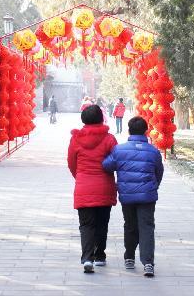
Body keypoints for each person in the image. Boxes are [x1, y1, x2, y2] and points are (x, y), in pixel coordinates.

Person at [102, 116, 164, 278]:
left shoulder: (119, 150)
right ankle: (148, 263)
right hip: (148, 195)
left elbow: (107, 165)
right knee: (147, 227)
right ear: (146, 131)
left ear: (129, 130)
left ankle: (129, 257)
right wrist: (153, 186)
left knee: (130, 225)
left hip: (127, 195)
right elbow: (159, 172)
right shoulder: (154, 151)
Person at [67, 105, 118, 274]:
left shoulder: (76, 139)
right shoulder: (110, 139)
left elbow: (71, 163)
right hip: (104, 186)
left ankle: (87, 258)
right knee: (102, 223)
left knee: (86, 225)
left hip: (83, 185)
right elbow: (116, 161)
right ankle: (100, 256)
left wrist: (80, 177)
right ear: (101, 118)